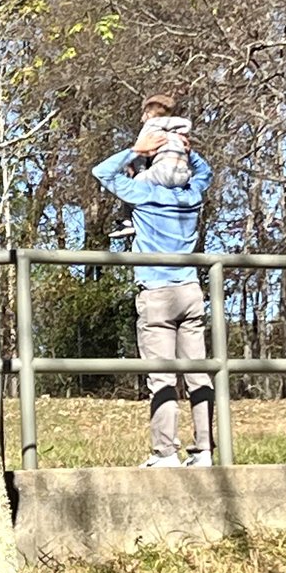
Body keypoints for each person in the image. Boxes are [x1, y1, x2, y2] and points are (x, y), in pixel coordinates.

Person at [92, 100, 215, 467]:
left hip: (157, 293)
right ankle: (205, 451)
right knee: (198, 374)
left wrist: (135, 150)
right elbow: (205, 176)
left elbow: (103, 173)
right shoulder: (191, 197)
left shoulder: (145, 194)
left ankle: (165, 453)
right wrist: (192, 157)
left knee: (161, 378)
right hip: (191, 291)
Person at [110, 94, 194, 238]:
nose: (141, 118)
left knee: (132, 185)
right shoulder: (178, 131)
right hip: (183, 176)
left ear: (148, 114)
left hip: (162, 172)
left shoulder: (150, 128)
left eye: (143, 114)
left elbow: (142, 150)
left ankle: (128, 222)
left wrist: (136, 172)